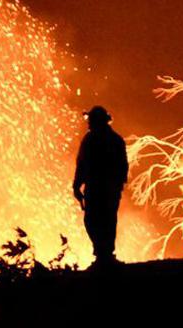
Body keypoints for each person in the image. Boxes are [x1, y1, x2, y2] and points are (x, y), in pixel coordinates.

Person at [72, 105, 129, 266]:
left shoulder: (91, 140)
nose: (88, 123)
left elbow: (81, 164)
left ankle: (104, 255)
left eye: (90, 120)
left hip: (99, 188)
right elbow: (123, 166)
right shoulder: (115, 140)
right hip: (106, 188)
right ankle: (104, 254)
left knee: (96, 220)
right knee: (104, 220)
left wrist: (77, 186)